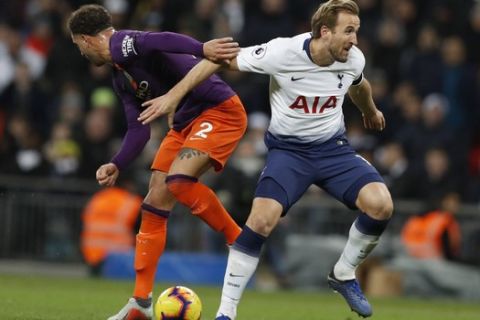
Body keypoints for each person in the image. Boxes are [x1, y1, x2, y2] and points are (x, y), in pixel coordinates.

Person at [139, 1, 394, 318]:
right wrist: (174, 96)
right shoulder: (283, 52)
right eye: (349, 31)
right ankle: (226, 313)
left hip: (333, 150)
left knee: (381, 204)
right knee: (260, 221)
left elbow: (359, 84)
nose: (355, 39)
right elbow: (220, 60)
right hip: (289, 153)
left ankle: (343, 274)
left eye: (356, 31)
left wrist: (370, 111)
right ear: (325, 32)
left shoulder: (353, 59)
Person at [67, 4, 248, 320]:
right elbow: (139, 129)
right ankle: (141, 302)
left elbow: (158, 39)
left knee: (178, 181)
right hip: (184, 123)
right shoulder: (121, 78)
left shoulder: (121, 43)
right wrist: (117, 163)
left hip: (218, 110)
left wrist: (201, 48)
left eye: (77, 46)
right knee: (153, 202)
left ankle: (241, 241)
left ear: (84, 39)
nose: (80, 53)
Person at [80, 174, 142, 277]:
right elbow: (141, 230)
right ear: (128, 184)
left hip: (92, 253)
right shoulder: (131, 202)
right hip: (119, 256)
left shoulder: (97, 198)